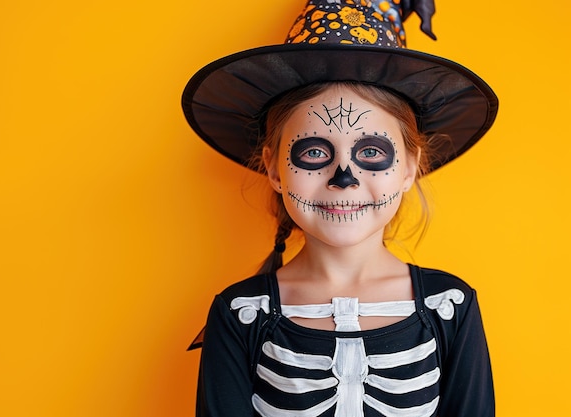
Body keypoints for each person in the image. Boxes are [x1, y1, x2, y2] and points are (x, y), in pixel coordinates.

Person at [182, 1, 497, 416]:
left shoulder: (450, 306)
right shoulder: (239, 315)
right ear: (275, 169)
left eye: (370, 150)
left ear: (409, 168)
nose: (343, 177)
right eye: (314, 151)